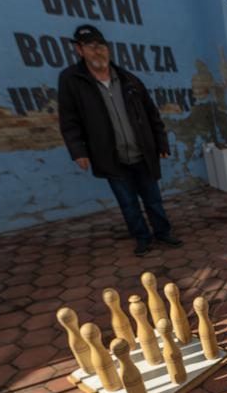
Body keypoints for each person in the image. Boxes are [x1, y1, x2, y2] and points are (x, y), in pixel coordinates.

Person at [58, 24, 182, 257]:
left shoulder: (128, 79)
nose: (97, 51)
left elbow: (152, 114)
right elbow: (69, 119)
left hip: (141, 152)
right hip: (110, 155)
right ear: (79, 50)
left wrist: (161, 143)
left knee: (153, 199)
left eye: (101, 46)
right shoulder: (72, 81)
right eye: (91, 46)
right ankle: (142, 237)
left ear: (108, 49)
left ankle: (163, 232)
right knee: (128, 203)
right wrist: (78, 150)